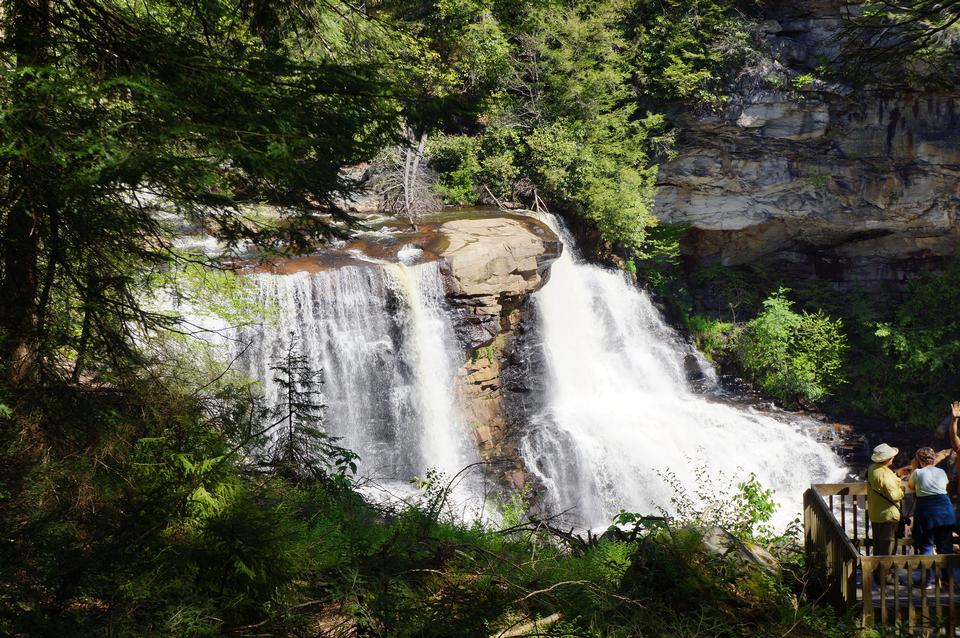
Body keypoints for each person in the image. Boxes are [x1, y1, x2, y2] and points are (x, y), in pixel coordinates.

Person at [909, 447, 956, 586]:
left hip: (927, 509)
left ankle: (927, 581)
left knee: (926, 544)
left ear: (918, 460)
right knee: (945, 545)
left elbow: (911, 486)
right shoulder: (941, 472)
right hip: (945, 509)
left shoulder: (918, 472)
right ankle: (948, 580)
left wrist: (913, 468)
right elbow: (945, 485)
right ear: (933, 458)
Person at [868, 443, 905, 561]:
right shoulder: (884, 474)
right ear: (886, 459)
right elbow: (894, 495)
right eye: (891, 456)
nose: (893, 458)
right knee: (888, 550)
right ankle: (886, 577)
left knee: (878, 547)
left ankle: (877, 574)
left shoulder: (872, 469)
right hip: (888, 515)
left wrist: (896, 475)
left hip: (876, 513)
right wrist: (902, 491)